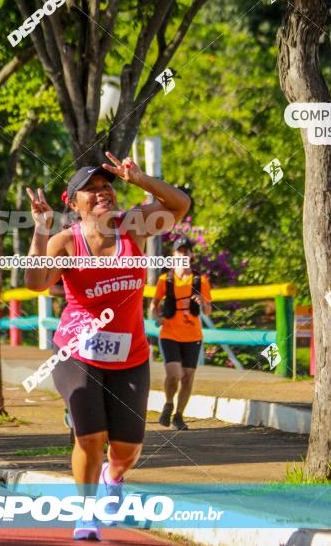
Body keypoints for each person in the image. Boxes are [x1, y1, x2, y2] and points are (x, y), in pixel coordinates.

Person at [24, 152, 190, 541]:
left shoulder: (132, 227)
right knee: (90, 436)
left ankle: (112, 478)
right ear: (73, 202)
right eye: (90, 190)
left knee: (128, 449)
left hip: (130, 354)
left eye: (105, 186)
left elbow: (179, 205)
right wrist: (40, 230)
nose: (102, 193)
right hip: (76, 351)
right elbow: (34, 283)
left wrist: (140, 179)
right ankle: (86, 513)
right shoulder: (66, 241)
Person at [149, 237, 211, 431]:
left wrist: (204, 302)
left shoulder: (201, 280)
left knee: (188, 377)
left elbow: (208, 310)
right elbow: (154, 304)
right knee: (174, 373)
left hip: (193, 335)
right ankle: (168, 403)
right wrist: (155, 317)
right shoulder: (165, 279)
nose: (183, 254)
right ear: (173, 255)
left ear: (191, 255)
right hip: (169, 333)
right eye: (179, 251)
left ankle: (178, 415)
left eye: (186, 251)